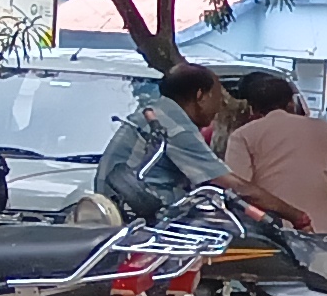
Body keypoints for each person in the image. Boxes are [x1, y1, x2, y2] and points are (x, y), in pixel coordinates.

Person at [217, 70, 327, 231]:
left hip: (275, 238)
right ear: (291, 103)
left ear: (252, 109)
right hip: (324, 236)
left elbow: (240, 192)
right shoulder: (325, 130)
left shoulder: (242, 136)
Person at [95, 61, 232, 219]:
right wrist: (266, 207)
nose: (220, 105)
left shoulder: (157, 113)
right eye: (217, 97)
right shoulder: (175, 128)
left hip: (118, 212)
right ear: (200, 96)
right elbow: (227, 182)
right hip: (140, 216)